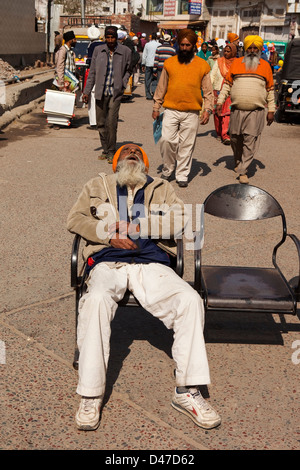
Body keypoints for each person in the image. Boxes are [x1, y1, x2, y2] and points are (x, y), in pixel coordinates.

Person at [67, 143, 221, 432]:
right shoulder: (97, 185)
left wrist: (138, 227)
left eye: (137, 152)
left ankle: (187, 390)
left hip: (152, 264)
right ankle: (90, 393)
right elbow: (74, 219)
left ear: (145, 165)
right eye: (126, 152)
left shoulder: (161, 188)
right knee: (96, 299)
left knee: (189, 299)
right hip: (107, 261)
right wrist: (108, 234)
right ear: (116, 163)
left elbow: (182, 220)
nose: (132, 154)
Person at [152, 29, 214, 187]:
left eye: (188, 45)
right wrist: (156, 105)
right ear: (178, 45)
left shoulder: (203, 65)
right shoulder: (169, 63)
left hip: (192, 112)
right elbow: (161, 86)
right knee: (166, 140)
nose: (185, 48)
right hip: (171, 110)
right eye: (182, 45)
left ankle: (182, 175)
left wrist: (207, 110)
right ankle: (167, 169)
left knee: (187, 145)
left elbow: (208, 91)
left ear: (194, 46)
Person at [216, 35, 275, 184]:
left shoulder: (265, 66)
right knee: (235, 139)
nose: (253, 50)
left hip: (256, 111)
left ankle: (243, 171)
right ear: (245, 49)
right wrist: (219, 101)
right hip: (236, 110)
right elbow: (227, 86)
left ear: (260, 49)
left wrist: (271, 111)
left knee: (250, 140)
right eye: (250, 47)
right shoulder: (236, 64)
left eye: (256, 48)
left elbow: (270, 90)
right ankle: (237, 160)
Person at [82, 26, 132, 163]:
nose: (110, 40)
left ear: (116, 38)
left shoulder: (125, 51)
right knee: (101, 123)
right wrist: (86, 91)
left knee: (111, 122)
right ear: (105, 38)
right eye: (108, 37)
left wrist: (123, 82)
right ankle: (105, 149)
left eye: (113, 37)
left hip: (115, 93)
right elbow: (92, 73)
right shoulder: (99, 51)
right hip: (100, 92)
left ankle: (111, 151)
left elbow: (130, 68)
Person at [210, 43, 237, 144]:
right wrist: (209, 88)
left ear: (233, 52)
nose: (226, 53)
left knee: (227, 113)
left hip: (230, 90)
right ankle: (218, 132)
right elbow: (213, 75)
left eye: (228, 51)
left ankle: (225, 135)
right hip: (217, 89)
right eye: (225, 51)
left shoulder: (237, 63)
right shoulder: (219, 61)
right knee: (217, 113)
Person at [85, 25, 104, 128]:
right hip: (105, 76)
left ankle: (93, 122)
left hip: (95, 76)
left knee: (92, 98)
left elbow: (89, 62)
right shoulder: (104, 44)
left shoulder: (91, 46)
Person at [142, 33, 160, 99]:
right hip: (156, 64)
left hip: (148, 63)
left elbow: (144, 55)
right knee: (155, 78)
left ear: (151, 37)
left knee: (147, 79)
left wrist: (143, 64)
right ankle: (154, 91)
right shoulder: (159, 45)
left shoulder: (147, 45)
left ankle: (148, 94)